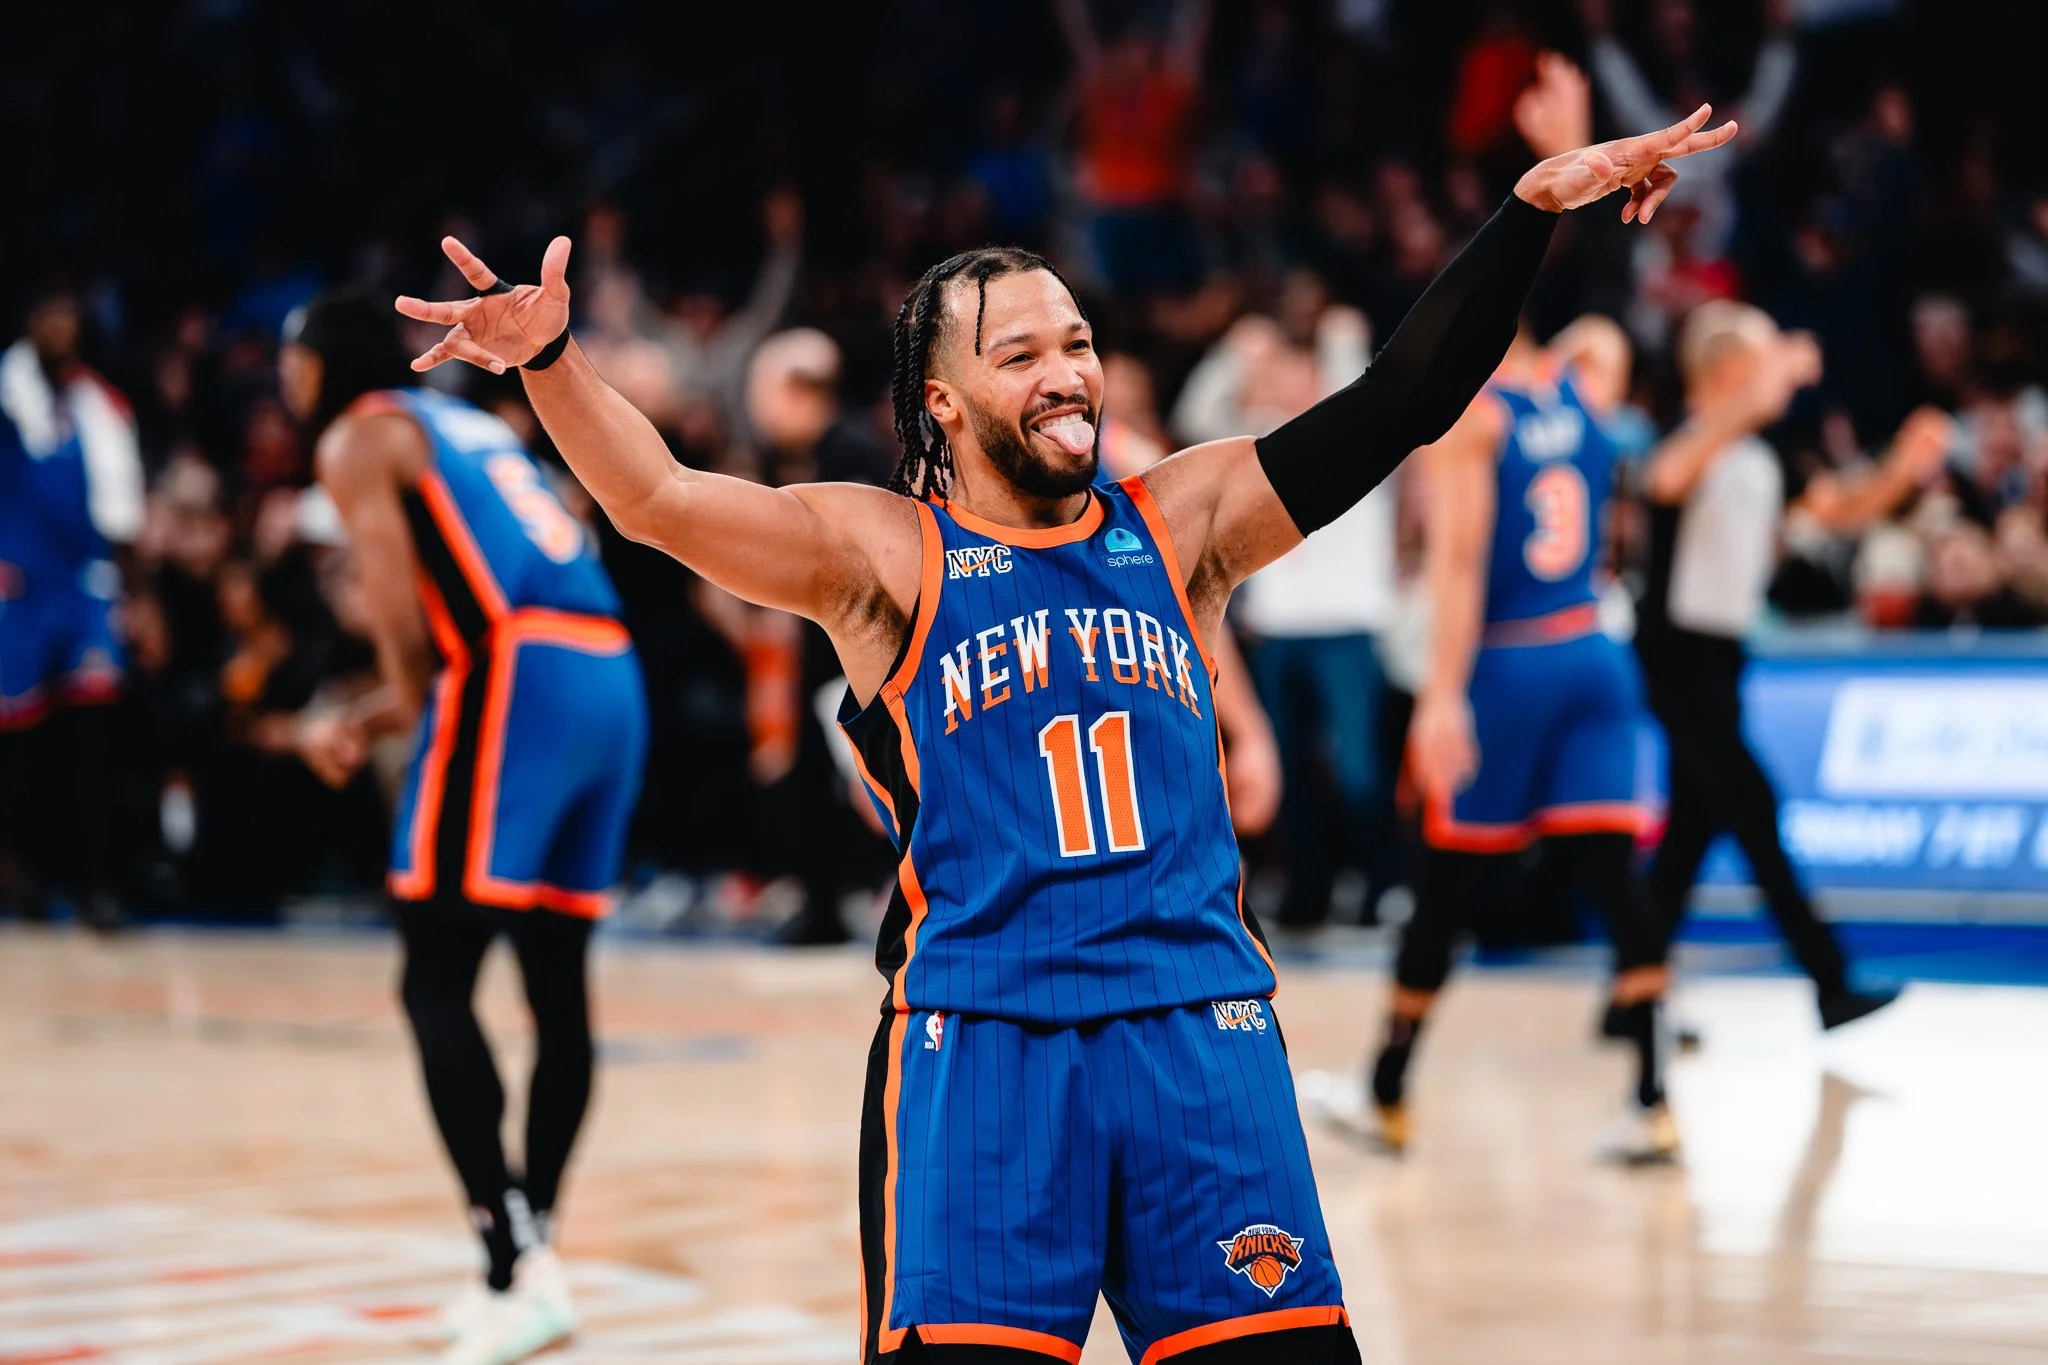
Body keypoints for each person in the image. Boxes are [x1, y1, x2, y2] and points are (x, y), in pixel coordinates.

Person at [396, 106, 1733, 1363]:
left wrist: (1528, 210)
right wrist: (553, 366)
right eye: (1022, 354)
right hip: (982, 1043)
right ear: (941, 400)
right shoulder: (889, 553)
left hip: (1200, 1032)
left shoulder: (1183, 521)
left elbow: (1400, 401)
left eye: (1078, 342)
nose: (1067, 373)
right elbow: (660, 499)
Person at [277, 291, 648, 1365]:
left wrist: (356, 717)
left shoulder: (356, 435)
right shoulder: (465, 419)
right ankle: (528, 1259)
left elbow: (403, 632)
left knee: (432, 977)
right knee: (554, 982)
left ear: (315, 371)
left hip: (516, 671)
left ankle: (513, 1261)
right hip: (608, 671)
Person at [1307, 316, 1682, 1165]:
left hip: (1510, 664)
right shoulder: (1583, 386)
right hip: (1593, 648)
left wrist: (1442, 696)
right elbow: (1605, 340)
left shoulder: (1475, 417)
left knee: (1441, 879)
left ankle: (1387, 1093)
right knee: (1613, 877)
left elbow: (1461, 561)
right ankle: (1656, 1100)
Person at [1636, 301, 1949, 1030]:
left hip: (1722, 657)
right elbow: (1663, 480)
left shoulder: (1755, 456)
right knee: (1753, 808)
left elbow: (1838, 512)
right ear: (1730, 371)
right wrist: (1761, 387)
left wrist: (1903, 465)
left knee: (1690, 830)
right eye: (1763, 354)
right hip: (1676, 656)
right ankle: (1829, 979)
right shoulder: (1692, 444)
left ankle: (1633, 988)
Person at [0, 283, 144, 931]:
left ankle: (100, 886)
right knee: (23, 744)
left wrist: (139, 594)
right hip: (18, 585)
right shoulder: (8, 393)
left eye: (68, 314)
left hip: (88, 583)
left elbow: (125, 513)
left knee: (96, 736)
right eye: (48, 313)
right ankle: (27, 877)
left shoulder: (100, 404)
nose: (60, 326)